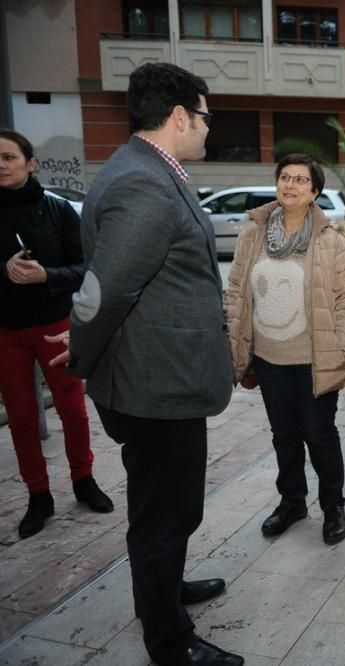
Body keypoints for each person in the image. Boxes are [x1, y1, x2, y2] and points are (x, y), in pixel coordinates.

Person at [66, 63, 243, 665]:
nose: (206, 127)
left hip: (164, 380)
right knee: (163, 518)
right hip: (153, 387)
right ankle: (169, 642)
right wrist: (82, 356)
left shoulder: (151, 171)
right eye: (205, 116)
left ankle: (165, 592)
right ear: (178, 117)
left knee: (171, 511)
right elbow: (104, 291)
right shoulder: (143, 183)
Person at [227, 153, 345, 544]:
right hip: (268, 358)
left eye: (300, 180)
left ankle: (333, 506)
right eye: (284, 177)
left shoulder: (330, 241)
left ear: (315, 192)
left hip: (314, 360)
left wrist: (343, 350)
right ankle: (292, 502)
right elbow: (236, 290)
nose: (290, 185)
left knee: (319, 434)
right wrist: (236, 339)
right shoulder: (252, 234)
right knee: (283, 435)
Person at [0, 128, 113, 539]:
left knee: (72, 409)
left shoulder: (60, 210)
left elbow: (87, 269)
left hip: (55, 326)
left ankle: (84, 481)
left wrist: (45, 274)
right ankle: (38, 496)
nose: (1, 165)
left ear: (30, 164)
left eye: (8, 157)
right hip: (7, 331)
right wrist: (5, 272)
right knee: (22, 417)